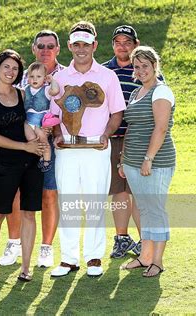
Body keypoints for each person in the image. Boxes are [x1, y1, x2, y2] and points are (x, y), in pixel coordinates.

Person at [49, 21, 125, 278]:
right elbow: (52, 116)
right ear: (70, 46)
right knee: (68, 202)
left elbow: (117, 112)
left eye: (86, 44)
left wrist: (105, 135)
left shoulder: (107, 76)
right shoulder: (59, 78)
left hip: (96, 146)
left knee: (94, 202)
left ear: (94, 45)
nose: (81, 49)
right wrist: (58, 134)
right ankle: (69, 259)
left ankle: (94, 258)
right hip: (67, 148)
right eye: (76, 44)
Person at [0, 49, 46, 282]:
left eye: (15, 69)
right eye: (6, 66)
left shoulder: (23, 94)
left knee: (29, 214)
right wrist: (24, 146)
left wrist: (42, 135)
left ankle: (26, 268)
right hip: (7, 164)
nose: (10, 71)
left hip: (32, 162)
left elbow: (38, 116)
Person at [0, 30, 65, 268]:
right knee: (15, 194)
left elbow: (70, 110)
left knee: (48, 194)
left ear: (58, 49)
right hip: (23, 142)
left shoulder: (64, 76)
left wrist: (53, 130)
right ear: (34, 48)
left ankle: (46, 248)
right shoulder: (19, 77)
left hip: (51, 143)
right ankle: (14, 243)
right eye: (41, 46)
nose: (45, 50)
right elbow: (4, 103)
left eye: (50, 46)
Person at [119, 46, 176, 277]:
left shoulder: (161, 92)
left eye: (145, 65)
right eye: (137, 66)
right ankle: (145, 256)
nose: (141, 70)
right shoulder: (136, 93)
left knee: (155, 210)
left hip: (155, 162)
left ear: (155, 66)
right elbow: (131, 127)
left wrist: (148, 159)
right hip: (132, 162)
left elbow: (161, 128)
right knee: (143, 209)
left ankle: (158, 261)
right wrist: (123, 159)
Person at [102, 25, 142, 258]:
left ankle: (146, 240)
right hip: (114, 139)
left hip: (138, 139)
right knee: (118, 191)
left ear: (136, 44)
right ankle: (122, 238)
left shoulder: (145, 69)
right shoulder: (106, 71)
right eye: (118, 42)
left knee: (138, 190)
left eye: (127, 42)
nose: (122, 46)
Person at [23, 62, 60, 172]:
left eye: (38, 77)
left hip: (40, 121)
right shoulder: (25, 90)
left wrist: (52, 80)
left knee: (43, 141)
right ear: (28, 78)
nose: (35, 79)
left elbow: (56, 90)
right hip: (28, 121)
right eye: (32, 76)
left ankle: (47, 160)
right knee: (32, 140)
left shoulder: (46, 90)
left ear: (44, 78)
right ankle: (38, 157)